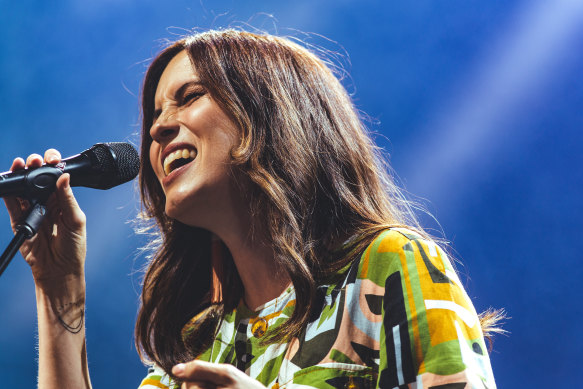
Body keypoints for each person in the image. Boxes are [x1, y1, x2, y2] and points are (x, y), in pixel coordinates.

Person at [4, 29, 498, 388]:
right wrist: (58, 289)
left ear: (269, 113)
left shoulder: (388, 266)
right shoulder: (201, 339)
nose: (157, 129)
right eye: (155, 114)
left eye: (189, 97)